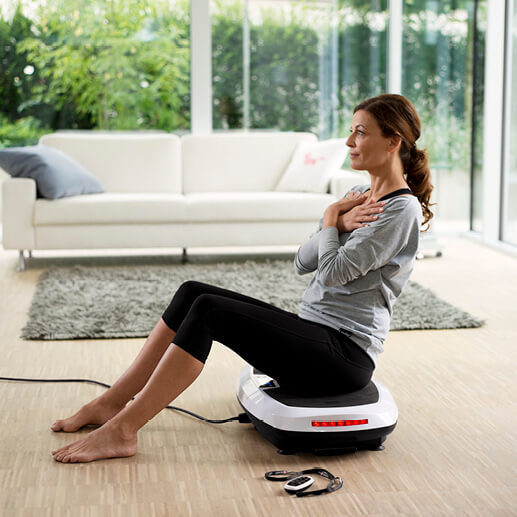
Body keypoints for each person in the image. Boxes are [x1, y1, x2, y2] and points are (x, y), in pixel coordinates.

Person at [51, 94, 433, 463]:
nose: (349, 141)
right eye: (351, 131)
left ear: (393, 142)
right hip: (315, 333)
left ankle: (124, 430)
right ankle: (112, 402)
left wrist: (332, 217)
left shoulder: (401, 211)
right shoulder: (358, 194)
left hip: (343, 357)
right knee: (192, 292)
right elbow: (302, 261)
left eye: (360, 132)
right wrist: (337, 220)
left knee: (210, 310)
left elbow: (331, 273)